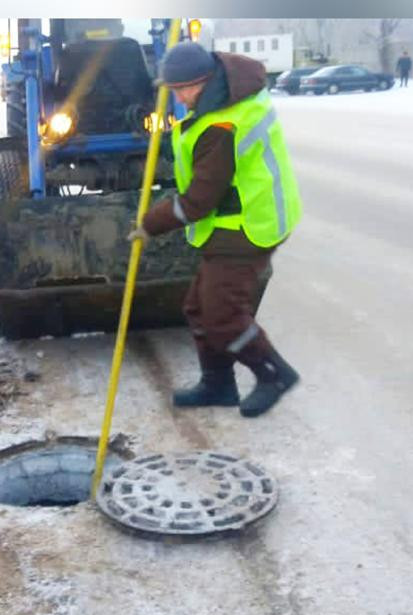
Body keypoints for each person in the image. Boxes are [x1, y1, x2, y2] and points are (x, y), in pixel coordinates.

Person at [135, 42, 302, 417]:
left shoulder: (222, 125)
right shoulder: (226, 97)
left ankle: (274, 374)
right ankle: (218, 384)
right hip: (233, 217)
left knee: (222, 315)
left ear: (206, 80)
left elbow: (198, 201)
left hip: (248, 224)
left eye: (184, 88)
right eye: (173, 89)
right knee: (198, 308)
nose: (179, 96)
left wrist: (148, 224)